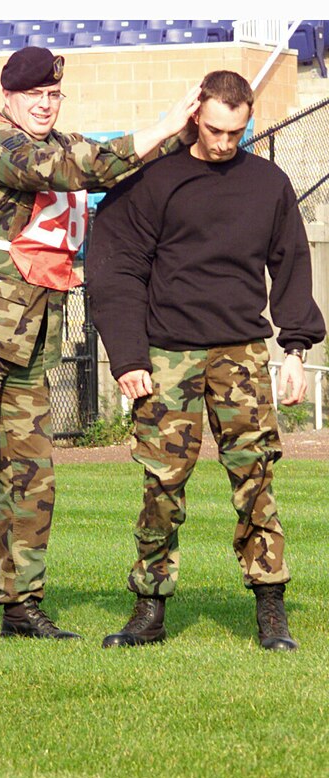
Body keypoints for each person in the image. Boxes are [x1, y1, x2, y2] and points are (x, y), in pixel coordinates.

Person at [0, 46, 201, 645]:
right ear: (9, 98)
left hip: (29, 336)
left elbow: (116, 166)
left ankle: (22, 606)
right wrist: (167, 123)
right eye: (34, 96)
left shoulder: (56, 142)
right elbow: (81, 169)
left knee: (33, 476)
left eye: (53, 95)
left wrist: (191, 130)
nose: (45, 105)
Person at [86, 70, 326, 651]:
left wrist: (294, 349)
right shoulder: (152, 180)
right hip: (167, 354)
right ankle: (149, 609)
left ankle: (271, 609)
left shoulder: (268, 184)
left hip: (242, 353)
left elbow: (292, 267)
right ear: (196, 115)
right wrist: (127, 357)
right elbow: (114, 271)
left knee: (255, 479)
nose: (225, 143)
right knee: (162, 484)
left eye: (237, 132)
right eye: (216, 130)